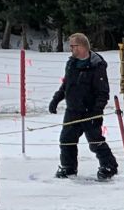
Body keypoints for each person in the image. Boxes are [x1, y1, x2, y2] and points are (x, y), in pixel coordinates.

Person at [48, 32, 118, 181]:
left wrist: (96, 112)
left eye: (73, 46)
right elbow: (66, 85)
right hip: (73, 110)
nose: (71, 49)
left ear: (82, 47)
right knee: (67, 140)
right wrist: (56, 100)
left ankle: (109, 166)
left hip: (90, 111)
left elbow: (103, 92)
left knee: (95, 141)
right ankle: (68, 168)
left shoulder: (96, 65)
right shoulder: (71, 63)